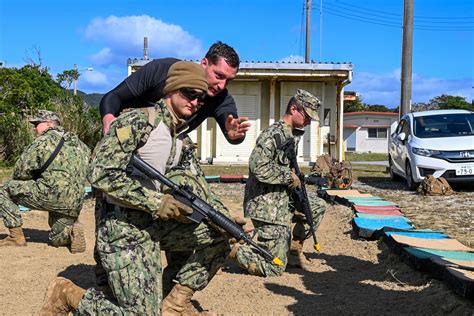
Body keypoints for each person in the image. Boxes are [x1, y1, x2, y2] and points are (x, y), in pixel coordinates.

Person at [40, 61, 234, 315]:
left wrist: (224, 217)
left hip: (154, 226)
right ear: (171, 90)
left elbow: (199, 186)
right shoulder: (138, 122)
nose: (195, 101)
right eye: (189, 93)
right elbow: (100, 174)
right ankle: (67, 294)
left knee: (220, 235)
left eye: (200, 97)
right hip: (123, 229)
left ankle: (171, 302)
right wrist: (155, 202)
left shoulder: (181, 138)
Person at [229, 89, 327, 276]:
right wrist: (288, 177)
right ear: (293, 109)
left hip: (283, 198)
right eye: (306, 116)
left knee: (315, 207)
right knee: (274, 266)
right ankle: (231, 249)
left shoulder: (291, 135)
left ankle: (293, 250)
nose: (308, 121)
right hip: (266, 204)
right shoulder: (273, 135)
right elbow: (257, 166)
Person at [99, 41, 250, 141]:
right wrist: (108, 119)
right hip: (126, 138)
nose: (222, 86)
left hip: (166, 147)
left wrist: (233, 133)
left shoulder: (220, 98)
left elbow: (231, 125)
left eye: (228, 80)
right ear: (204, 63)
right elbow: (113, 97)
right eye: (218, 76)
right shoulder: (162, 70)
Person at [0, 110, 90, 253]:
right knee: (57, 238)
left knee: (4, 190)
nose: (34, 127)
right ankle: (71, 231)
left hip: (49, 193)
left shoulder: (42, 141)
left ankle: (15, 237)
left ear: (49, 123)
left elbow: (20, 172)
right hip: (75, 200)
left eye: (37, 123)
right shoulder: (81, 145)